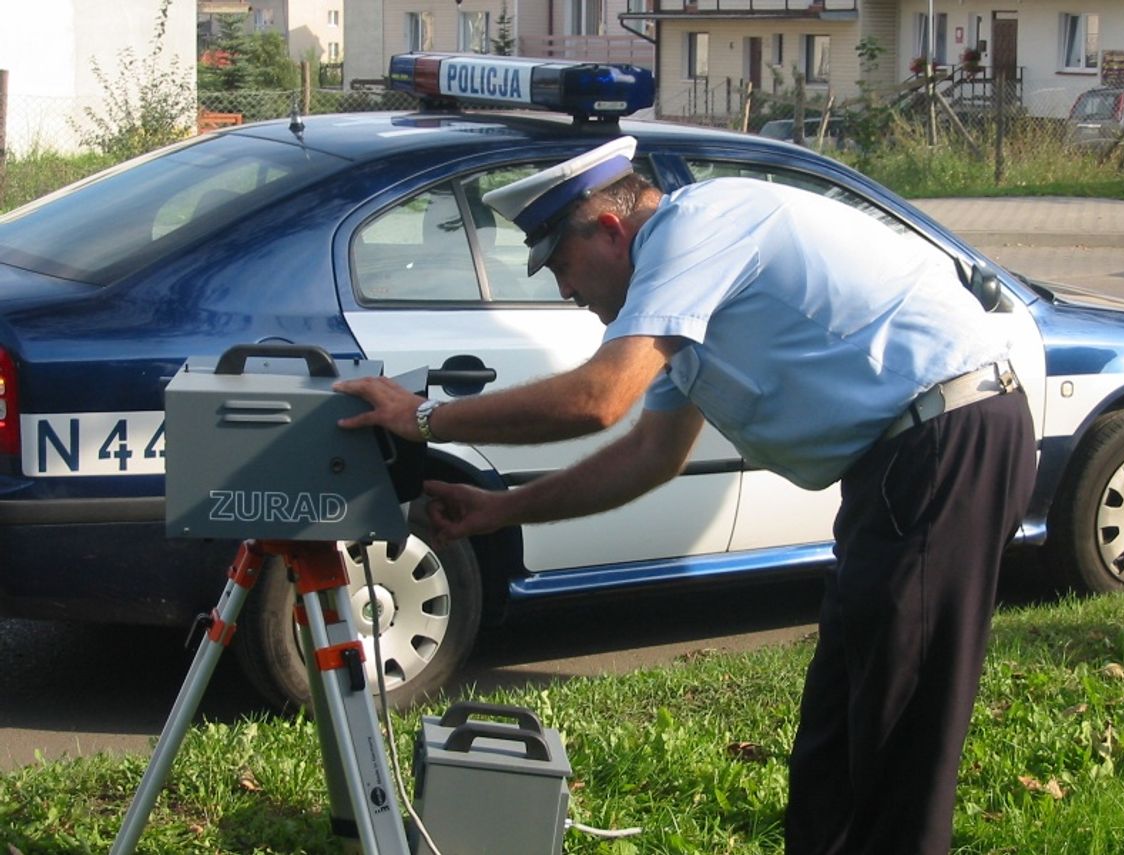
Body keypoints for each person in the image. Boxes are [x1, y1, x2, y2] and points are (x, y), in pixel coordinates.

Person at [333, 136, 1036, 854]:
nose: (563, 290)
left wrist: (421, 416)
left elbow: (600, 398)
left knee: (899, 740)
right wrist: (501, 508)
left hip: (945, 442)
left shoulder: (694, 230)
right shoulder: (681, 297)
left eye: (561, 265)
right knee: (836, 739)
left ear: (609, 229)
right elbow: (649, 454)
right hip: (902, 464)